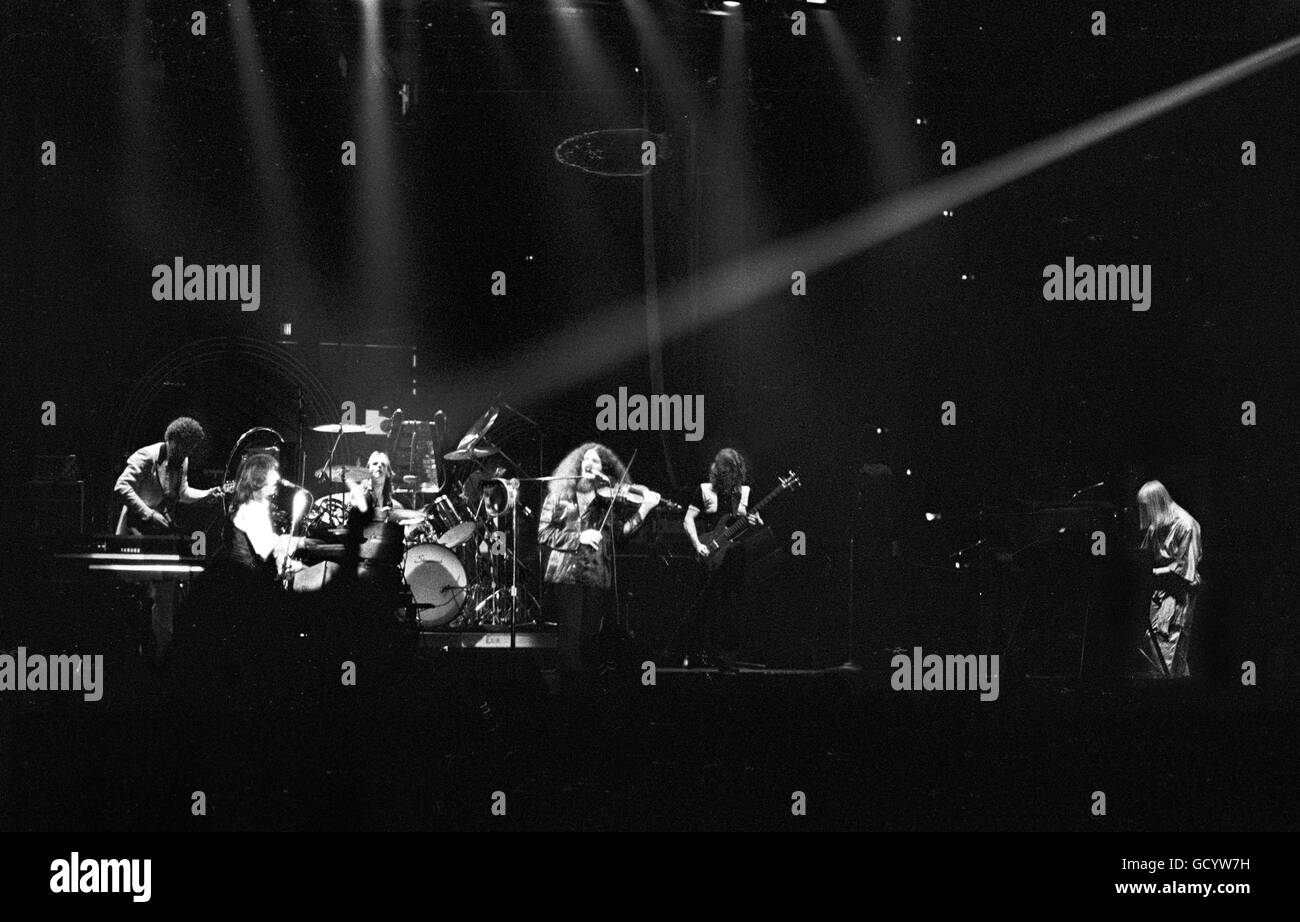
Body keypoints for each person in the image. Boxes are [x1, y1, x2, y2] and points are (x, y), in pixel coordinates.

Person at [538, 443, 659, 691]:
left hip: (597, 576)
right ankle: (568, 694)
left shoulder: (607, 501)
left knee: (589, 642)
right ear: (579, 465)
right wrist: (578, 538)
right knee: (569, 640)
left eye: (597, 462)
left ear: (603, 470)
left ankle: (586, 697)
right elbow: (543, 533)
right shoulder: (559, 496)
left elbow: (620, 534)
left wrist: (645, 509)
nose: (591, 464)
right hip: (566, 575)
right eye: (587, 459)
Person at [113, 417, 220, 660]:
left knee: (164, 593)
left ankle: (162, 653)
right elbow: (121, 487)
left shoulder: (182, 461)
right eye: (183, 448)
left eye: (191, 450)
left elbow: (182, 493)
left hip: (158, 537)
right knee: (142, 593)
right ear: (171, 441)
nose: (186, 455)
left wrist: (207, 494)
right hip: (135, 533)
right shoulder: (146, 456)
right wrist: (149, 513)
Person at [681, 448, 761, 670]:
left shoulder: (745, 493)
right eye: (720, 468)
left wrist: (755, 521)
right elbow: (688, 520)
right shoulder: (704, 490)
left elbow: (754, 521)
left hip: (735, 556)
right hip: (710, 553)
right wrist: (698, 545)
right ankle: (699, 652)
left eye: (728, 470)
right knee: (707, 604)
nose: (722, 473)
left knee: (731, 605)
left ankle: (725, 655)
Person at [1136, 480, 1203, 678]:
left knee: (1167, 650)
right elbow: (1144, 555)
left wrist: (1153, 573)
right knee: (1157, 651)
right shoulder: (1157, 524)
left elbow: (1184, 570)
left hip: (1178, 594)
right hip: (1159, 591)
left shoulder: (1186, 525)